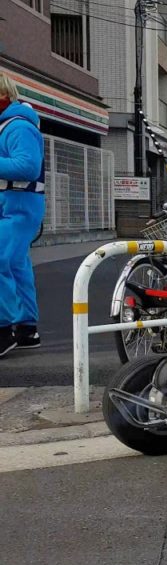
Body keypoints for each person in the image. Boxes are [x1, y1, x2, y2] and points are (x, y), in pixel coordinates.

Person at [0, 74, 45, 358]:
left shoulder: (17, 126)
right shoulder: (14, 124)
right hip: (17, 204)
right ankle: (27, 329)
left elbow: (27, 166)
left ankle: (3, 330)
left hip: (17, 205)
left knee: (1, 261)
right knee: (15, 265)